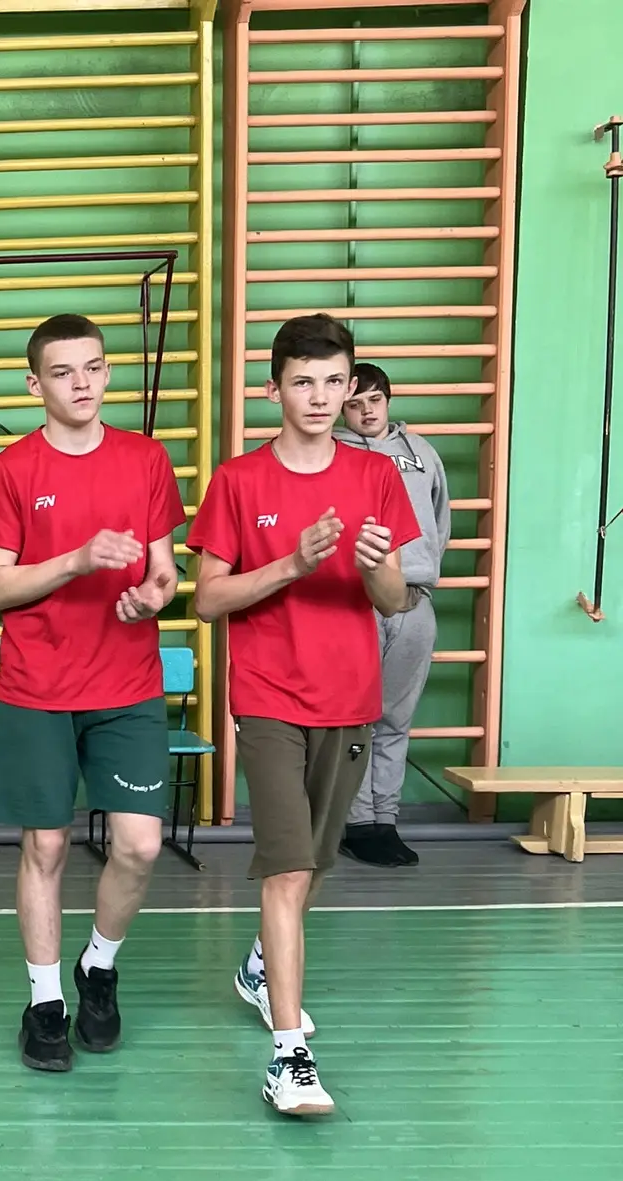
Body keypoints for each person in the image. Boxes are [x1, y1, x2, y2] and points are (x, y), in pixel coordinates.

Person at [189, 314, 420, 1117]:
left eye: (333, 382)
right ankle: (289, 1058)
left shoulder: (376, 477)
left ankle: (260, 967)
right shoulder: (238, 481)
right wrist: (292, 563)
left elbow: (391, 596)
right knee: (287, 869)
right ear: (274, 389)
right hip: (268, 699)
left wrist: (373, 568)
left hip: (349, 696)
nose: (319, 397)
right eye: (302, 382)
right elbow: (208, 599)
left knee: (314, 867)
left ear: (351, 386)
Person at [0, 315, 183, 1072]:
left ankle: (99, 965)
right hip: (39, 685)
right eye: (63, 372)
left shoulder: (146, 459)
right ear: (36, 384)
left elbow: (166, 570)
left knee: (140, 844)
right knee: (47, 844)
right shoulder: (12, 469)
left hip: (128, 682)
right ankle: (44, 1002)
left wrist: (154, 596)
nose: (82, 383)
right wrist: (76, 560)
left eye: (93, 367)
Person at [334, 363, 452, 868]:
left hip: (413, 599)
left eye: (374, 401)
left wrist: (419, 573)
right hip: (353, 601)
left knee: (395, 719)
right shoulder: (334, 453)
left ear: (388, 399)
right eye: (355, 404)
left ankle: (385, 820)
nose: (366, 412)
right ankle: (357, 823)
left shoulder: (421, 453)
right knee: (355, 718)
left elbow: (439, 520)